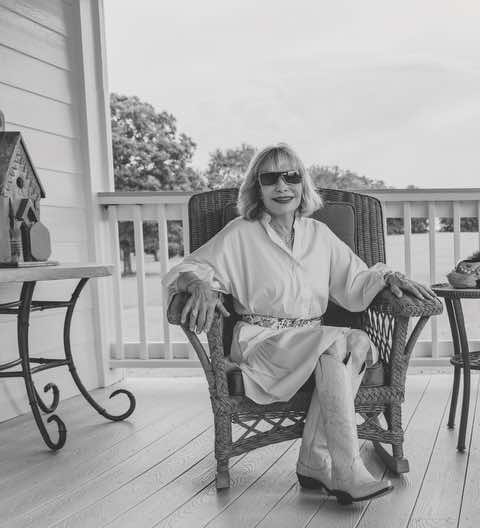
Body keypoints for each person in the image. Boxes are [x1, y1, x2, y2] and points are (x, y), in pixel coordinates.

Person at [164, 143, 437, 503]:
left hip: (314, 340)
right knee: (344, 342)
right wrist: (198, 283)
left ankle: (313, 461)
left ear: (302, 185)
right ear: (257, 188)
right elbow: (185, 270)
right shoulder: (239, 234)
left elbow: (356, 283)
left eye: (291, 177)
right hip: (263, 344)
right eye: (270, 178)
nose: (282, 186)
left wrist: (388, 277)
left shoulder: (319, 236)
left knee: (353, 343)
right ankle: (346, 468)